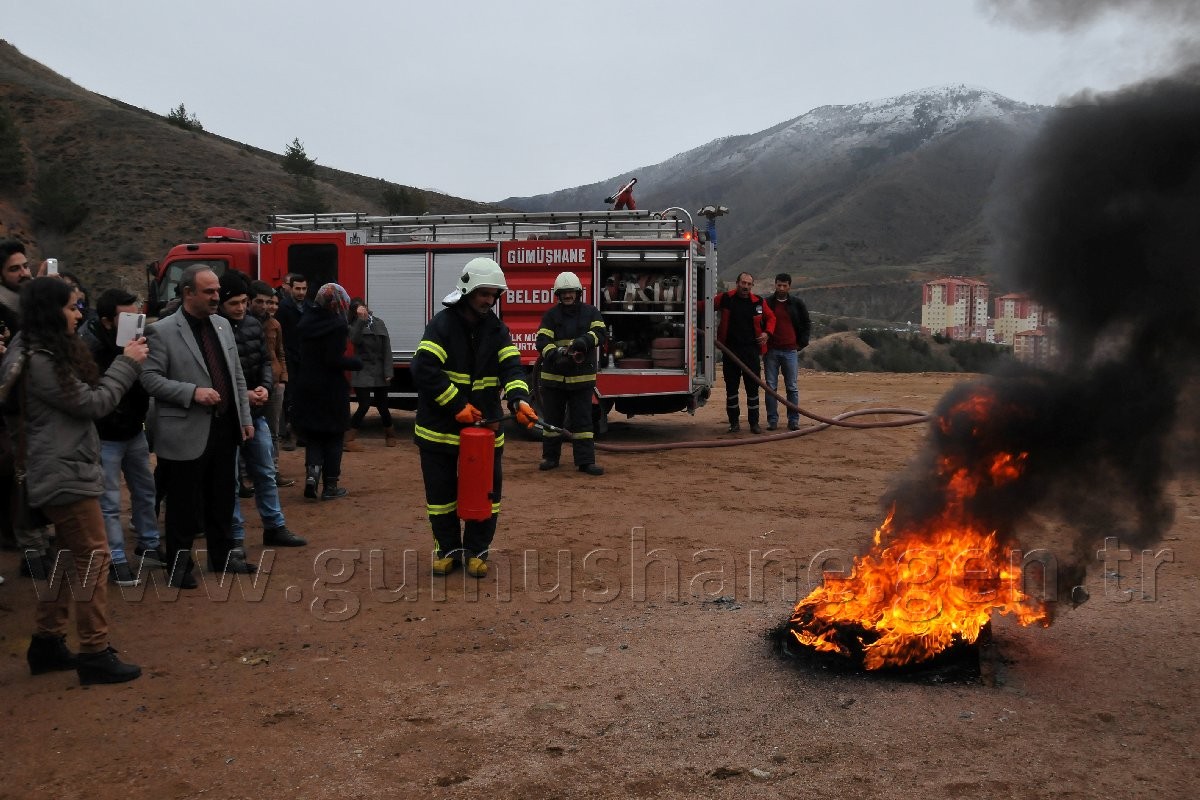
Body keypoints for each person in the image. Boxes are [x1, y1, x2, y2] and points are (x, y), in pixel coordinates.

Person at [0, 276, 146, 684]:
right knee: (94, 558)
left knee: (68, 557)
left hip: (62, 468)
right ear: (50, 312)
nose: (77, 314)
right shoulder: (40, 360)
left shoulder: (33, 352)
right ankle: (94, 651)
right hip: (64, 472)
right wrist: (127, 363)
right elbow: (93, 403)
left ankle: (46, 643)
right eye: (70, 307)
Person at [412, 257, 538, 579]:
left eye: (494, 294)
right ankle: (448, 550)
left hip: (484, 431)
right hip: (439, 431)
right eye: (484, 293)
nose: (490, 301)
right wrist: (456, 404)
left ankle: (478, 552)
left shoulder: (497, 330)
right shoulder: (442, 325)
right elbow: (424, 369)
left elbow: (512, 367)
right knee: (441, 498)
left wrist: (519, 399)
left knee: (486, 494)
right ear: (467, 289)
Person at [140, 265, 255, 589]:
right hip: (184, 431)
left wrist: (244, 418)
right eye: (209, 292)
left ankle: (221, 558)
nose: (217, 297)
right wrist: (192, 393)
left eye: (217, 290)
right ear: (188, 292)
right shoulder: (161, 331)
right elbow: (149, 379)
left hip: (224, 428)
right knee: (183, 503)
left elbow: (236, 376)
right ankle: (179, 566)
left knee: (222, 498)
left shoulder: (222, 325)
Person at [80, 288, 166, 586]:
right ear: (107, 321)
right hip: (104, 435)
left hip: (133, 429)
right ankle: (115, 558)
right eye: (127, 317)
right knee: (109, 500)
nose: (136, 323)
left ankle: (149, 544)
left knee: (145, 491)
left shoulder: (135, 342)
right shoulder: (90, 348)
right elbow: (96, 394)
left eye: (137, 316)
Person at [218, 273, 307, 548]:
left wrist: (265, 387)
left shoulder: (254, 326)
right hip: (227, 416)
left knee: (266, 473)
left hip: (255, 412)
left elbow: (266, 361)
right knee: (230, 480)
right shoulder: (214, 330)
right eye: (234, 303)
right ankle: (234, 535)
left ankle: (275, 526)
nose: (241, 308)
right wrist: (241, 394)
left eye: (244, 302)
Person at [0, 240, 53, 577]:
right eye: (13, 269)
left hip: (33, 413)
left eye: (24, 266)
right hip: (15, 412)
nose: (23, 273)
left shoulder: (26, 302)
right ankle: (29, 547)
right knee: (18, 474)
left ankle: (37, 543)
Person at [290, 282, 362, 500]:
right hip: (330, 389)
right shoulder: (337, 326)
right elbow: (333, 359)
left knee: (313, 436)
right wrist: (355, 363)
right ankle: (331, 486)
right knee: (333, 437)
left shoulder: (305, 321)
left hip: (307, 386)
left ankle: (312, 475)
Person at [534, 271, 607, 475]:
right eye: (564, 293)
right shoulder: (551, 316)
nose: (568, 296)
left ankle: (585, 462)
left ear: (578, 293)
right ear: (558, 295)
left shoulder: (591, 313)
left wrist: (584, 341)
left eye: (571, 292)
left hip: (581, 379)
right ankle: (550, 457)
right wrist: (554, 355)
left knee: (582, 422)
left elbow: (600, 333)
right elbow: (541, 341)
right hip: (553, 379)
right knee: (551, 422)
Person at [714, 271, 775, 434]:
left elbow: (771, 318)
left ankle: (754, 424)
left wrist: (767, 333)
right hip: (730, 351)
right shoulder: (725, 298)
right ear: (737, 283)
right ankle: (734, 423)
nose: (746, 287)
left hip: (751, 352)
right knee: (731, 389)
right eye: (743, 283)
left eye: (749, 284)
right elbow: (705, 306)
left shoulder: (759, 302)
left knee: (753, 389)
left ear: (752, 286)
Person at [249, 280, 292, 486]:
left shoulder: (274, 324)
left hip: (274, 383)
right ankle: (248, 472)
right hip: (251, 383)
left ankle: (273, 471)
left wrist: (283, 378)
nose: (266, 307)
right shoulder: (243, 322)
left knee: (273, 430)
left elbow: (280, 353)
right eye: (261, 302)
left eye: (270, 302)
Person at [763, 272, 812, 432]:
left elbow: (806, 323)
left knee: (791, 387)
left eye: (785, 285)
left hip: (790, 351)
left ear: (790, 286)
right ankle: (772, 420)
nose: (782, 288)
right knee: (771, 387)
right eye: (779, 285)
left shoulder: (797, 304)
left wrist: (802, 343)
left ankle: (793, 420)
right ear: (775, 285)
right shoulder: (767, 303)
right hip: (771, 351)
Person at [347, 297, 397, 449]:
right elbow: (354, 340)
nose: (363, 310)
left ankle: (390, 434)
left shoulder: (378, 322)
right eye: (358, 309)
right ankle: (348, 437)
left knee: (382, 405)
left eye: (363, 307)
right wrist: (361, 320)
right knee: (364, 405)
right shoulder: (353, 325)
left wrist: (388, 370)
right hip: (363, 370)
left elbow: (387, 348)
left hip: (380, 369)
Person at [274, 273, 308, 451]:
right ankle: (286, 435)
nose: (301, 292)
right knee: (288, 399)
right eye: (298, 288)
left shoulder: (309, 307)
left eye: (304, 288)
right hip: (289, 359)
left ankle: (301, 434)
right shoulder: (284, 308)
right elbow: (279, 338)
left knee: (303, 397)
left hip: (304, 359)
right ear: (290, 288)